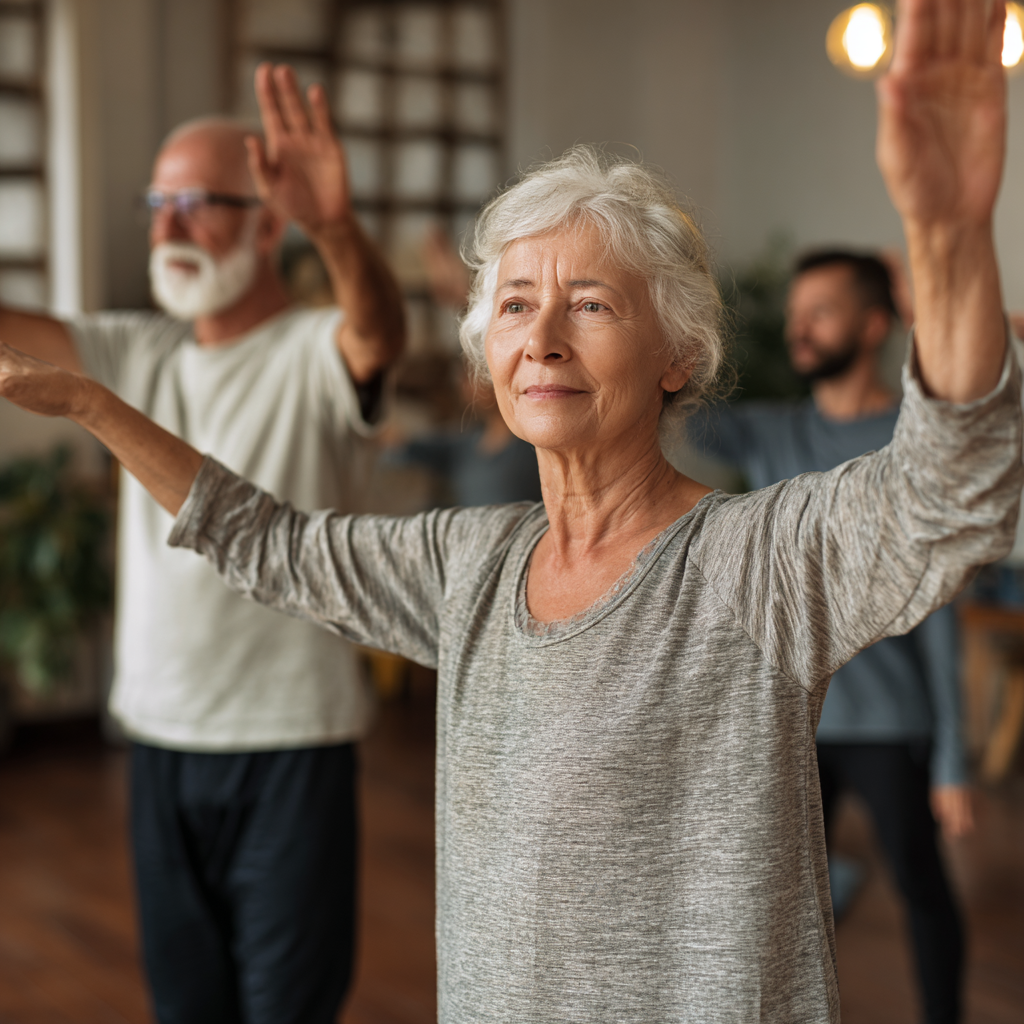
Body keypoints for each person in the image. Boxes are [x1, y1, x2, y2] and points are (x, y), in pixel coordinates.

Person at [1, 1, 1019, 1020]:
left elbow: (950, 491)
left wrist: (947, 234)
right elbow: (267, 541)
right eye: (517, 304)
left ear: (677, 356)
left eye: (592, 303)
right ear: (488, 352)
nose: (541, 337)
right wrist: (94, 405)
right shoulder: (470, 565)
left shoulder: (753, 561)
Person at [0, 65, 403, 1024]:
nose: (168, 227)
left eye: (197, 204)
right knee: (187, 1008)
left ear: (267, 227)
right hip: (160, 735)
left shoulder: (314, 347)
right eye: (158, 204)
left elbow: (377, 333)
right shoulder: (137, 351)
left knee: (287, 1008)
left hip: (291, 739)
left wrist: (336, 230)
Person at [691, 248, 972, 1024]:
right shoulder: (770, 433)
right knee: (763, 890)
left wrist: (952, 758)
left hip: (887, 721)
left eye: (820, 312)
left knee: (921, 887)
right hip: (787, 716)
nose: (799, 329)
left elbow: (940, 607)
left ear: (875, 324)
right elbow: (668, 399)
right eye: (795, 313)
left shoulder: (914, 439)